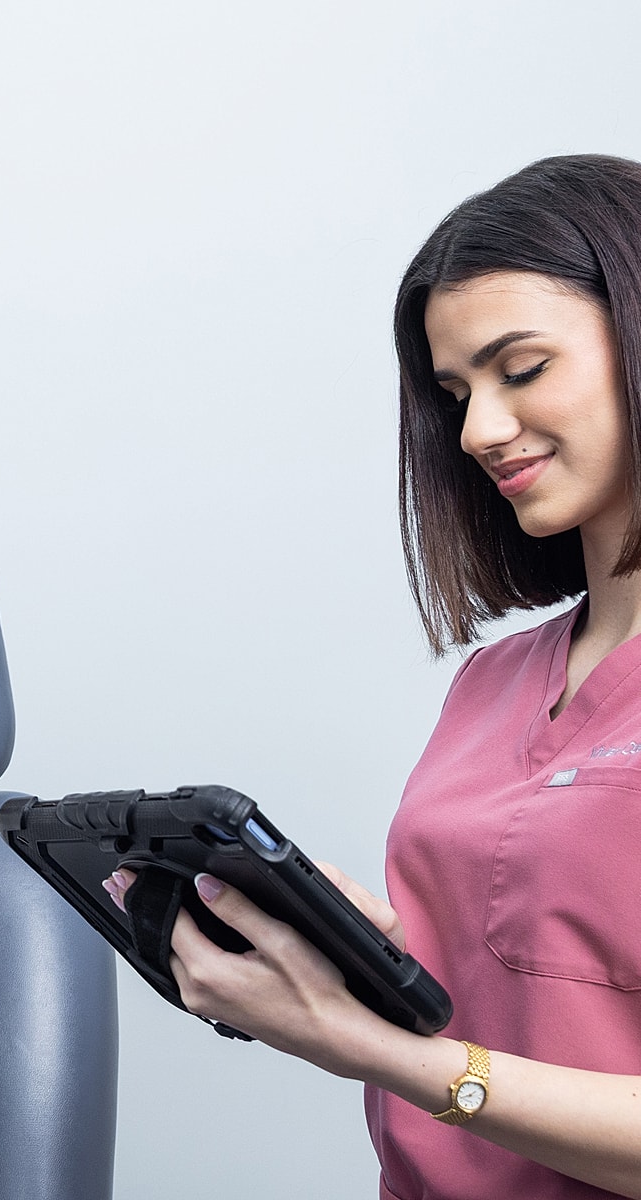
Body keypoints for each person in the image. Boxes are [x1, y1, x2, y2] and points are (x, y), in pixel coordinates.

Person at [111, 154, 641, 1199]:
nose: (478, 430)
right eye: (456, 393)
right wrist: (333, 973)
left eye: (521, 369)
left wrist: (381, 1053)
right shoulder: (491, 684)